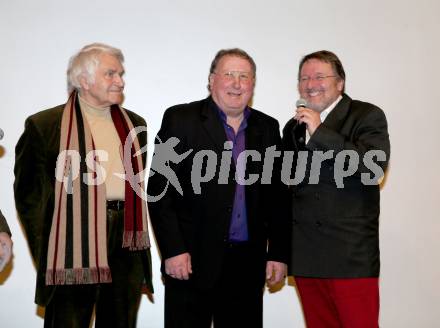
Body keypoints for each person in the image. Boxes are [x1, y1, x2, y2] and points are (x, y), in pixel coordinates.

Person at [147, 48, 290, 328]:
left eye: (244, 76)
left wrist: (279, 253)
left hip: (247, 266)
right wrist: (173, 249)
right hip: (189, 262)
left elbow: (279, 197)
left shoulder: (268, 128)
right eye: (229, 75)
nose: (236, 84)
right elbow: (159, 190)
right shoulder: (180, 120)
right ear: (212, 80)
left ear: (253, 84)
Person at [14, 43, 152, 328]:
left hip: (126, 241)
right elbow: (29, 198)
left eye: (121, 74)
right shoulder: (45, 125)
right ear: (85, 80)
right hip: (72, 243)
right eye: (111, 73)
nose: (120, 81)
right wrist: (50, 249)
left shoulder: (135, 125)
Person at [283, 50, 390, 327]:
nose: (310, 84)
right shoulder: (292, 128)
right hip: (307, 256)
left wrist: (320, 132)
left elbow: (372, 168)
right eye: (304, 78)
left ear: (340, 83)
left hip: (349, 257)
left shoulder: (366, 115)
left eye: (319, 76)